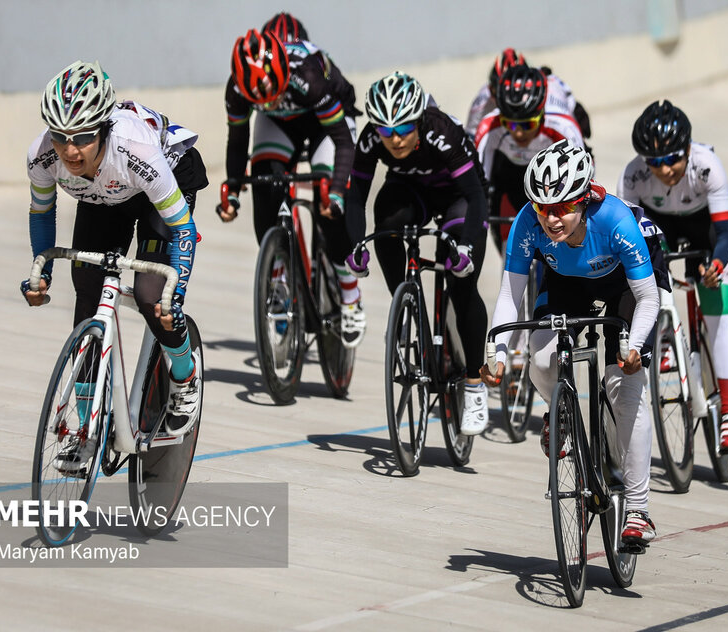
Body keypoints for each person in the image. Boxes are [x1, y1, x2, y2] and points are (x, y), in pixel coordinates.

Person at [22, 61, 208, 471]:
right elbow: (42, 213)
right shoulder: (43, 156)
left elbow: (182, 228)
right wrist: (41, 272)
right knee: (86, 288)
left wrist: (173, 294)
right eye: (61, 137)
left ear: (104, 128)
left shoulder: (135, 149)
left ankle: (185, 376)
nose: (70, 150)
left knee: (150, 295)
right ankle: (87, 430)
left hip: (163, 183)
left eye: (83, 137)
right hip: (104, 197)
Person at [481, 140, 665, 547]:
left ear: (583, 199)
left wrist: (633, 346)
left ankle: (637, 510)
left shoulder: (616, 220)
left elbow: (648, 298)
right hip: (564, 282)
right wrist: (495, 352)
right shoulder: (527, 223)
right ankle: (559, 413)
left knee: (624, 386)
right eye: (542, 207)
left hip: (626, 288)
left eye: (562, 207)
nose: (551, 218)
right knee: (542, 358)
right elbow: (511, 297)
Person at [344, 72, 490, 435]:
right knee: (386, 217)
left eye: (403, 128)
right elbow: (356, 195)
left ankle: (474, 383)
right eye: (385, 130)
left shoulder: (443, 133)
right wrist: (354, 244)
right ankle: (407, 310)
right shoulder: (371, 140)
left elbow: (475, 198)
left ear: (419, 120)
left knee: (463, 284)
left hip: (458, 198)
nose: (394, 139)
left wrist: (467, 249)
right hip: (412, 193)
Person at [217, 29, 366, 347]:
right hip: (281, 124)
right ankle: (279, 276)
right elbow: (238, 140)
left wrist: (337, 190)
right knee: (265, 183)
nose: (268, 101)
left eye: (270, 93)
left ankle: (350, 291)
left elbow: (342, 141)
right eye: (260, 99)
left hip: (327, 120)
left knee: (330, 204)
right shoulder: (238, 90)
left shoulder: (308, 76)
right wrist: (232, 190)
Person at [617, 100, 728, 453]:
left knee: (717, 310)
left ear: (687, 149)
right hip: (661, 227)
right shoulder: (632, 176)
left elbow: (725, 234)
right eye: (655, 163)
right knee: (645, 283)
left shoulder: (707, 166)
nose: (665, 169)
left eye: (673, 159)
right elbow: (626, 238)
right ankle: (663, 339)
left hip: (707, 229)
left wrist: (715, 267)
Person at [474, 64, 585, 249]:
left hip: (554, 175)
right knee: (505, 238)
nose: (518, 134)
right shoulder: (489, 126)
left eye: (527, 125)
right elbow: (479, 181)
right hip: (510, 173)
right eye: (509, 125)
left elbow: (581, 183)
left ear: (541, 115)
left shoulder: (563, 127)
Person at [464, 48, 591, 141]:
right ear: (491, 88)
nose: (510, 97)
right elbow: (471, 134)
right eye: (498, 91)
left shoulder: (549, 84)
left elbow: (566, 117)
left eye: (518, 89)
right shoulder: (483, 97)